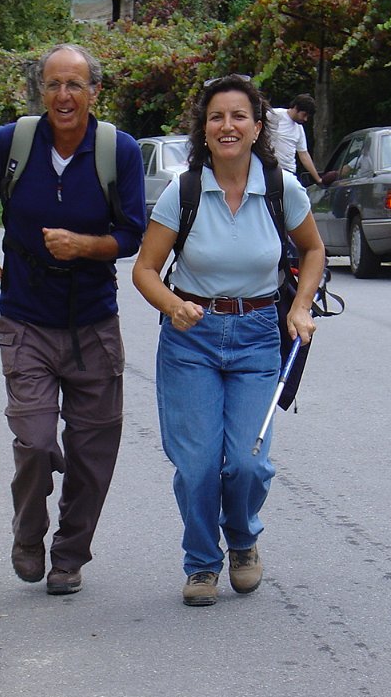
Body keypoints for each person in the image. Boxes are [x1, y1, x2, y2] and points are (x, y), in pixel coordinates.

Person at [132, 74, 326, 607]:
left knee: (247, 461)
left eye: (239, 116)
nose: (228, 126)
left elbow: (313, 250)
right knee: (197, 465)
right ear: (204, 128)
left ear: (258, 127)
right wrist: (173, 306)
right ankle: (201, 562)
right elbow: (145, 269)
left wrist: (301, 307)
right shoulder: (184, 190)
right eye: (217, 116)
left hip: (259, 334)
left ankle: (242, 540)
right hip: (190, 337)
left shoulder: (281, 188)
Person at [0, 44, 145, 596]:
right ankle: (28, 534)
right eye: (53, 84)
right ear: (40, 90)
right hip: (25, 319)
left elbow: (132, 234)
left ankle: (69, 556)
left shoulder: (119, 150)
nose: (63, 96)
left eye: (75, 84)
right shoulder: (13, 142)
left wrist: (84, 246)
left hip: (94, 323)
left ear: (94, 90)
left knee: (93, 454)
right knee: (35, 441)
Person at [269, 94, 323, 186]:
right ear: (296, 107)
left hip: (289, 172)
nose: (305, 119)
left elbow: (304, 155)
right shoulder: (275, 115)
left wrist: (318, 179)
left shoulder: (299, 128)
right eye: (304, 115)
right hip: (270, 170)